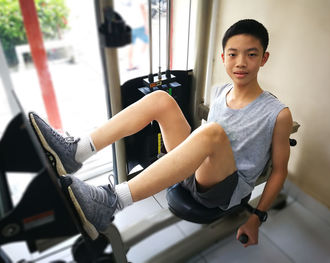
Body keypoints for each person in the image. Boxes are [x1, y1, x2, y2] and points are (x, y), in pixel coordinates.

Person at [29, 19, 293, 247]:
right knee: (160, 99)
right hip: (197, 171)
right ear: (223, 57)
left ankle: (110, 201)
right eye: (233, 54)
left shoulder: (278, 113)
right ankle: (75, 152)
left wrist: (256, 218)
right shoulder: (219, 91)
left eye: (251, 54)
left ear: (263, 58)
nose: (241, 63)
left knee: (211, 132)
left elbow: (279, 171)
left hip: (225, 189)